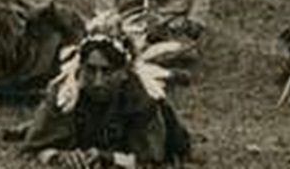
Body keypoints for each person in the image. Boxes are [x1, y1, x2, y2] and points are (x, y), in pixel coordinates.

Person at [21, 16, 192, 167]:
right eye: (90, 70)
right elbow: (35, 147)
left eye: (107, 72)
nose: (97, 82)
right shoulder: (65, 93)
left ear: (124, 72)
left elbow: (150, 158)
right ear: (80, 67)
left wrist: (108, 158)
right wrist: (59, 156)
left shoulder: (140, 97)